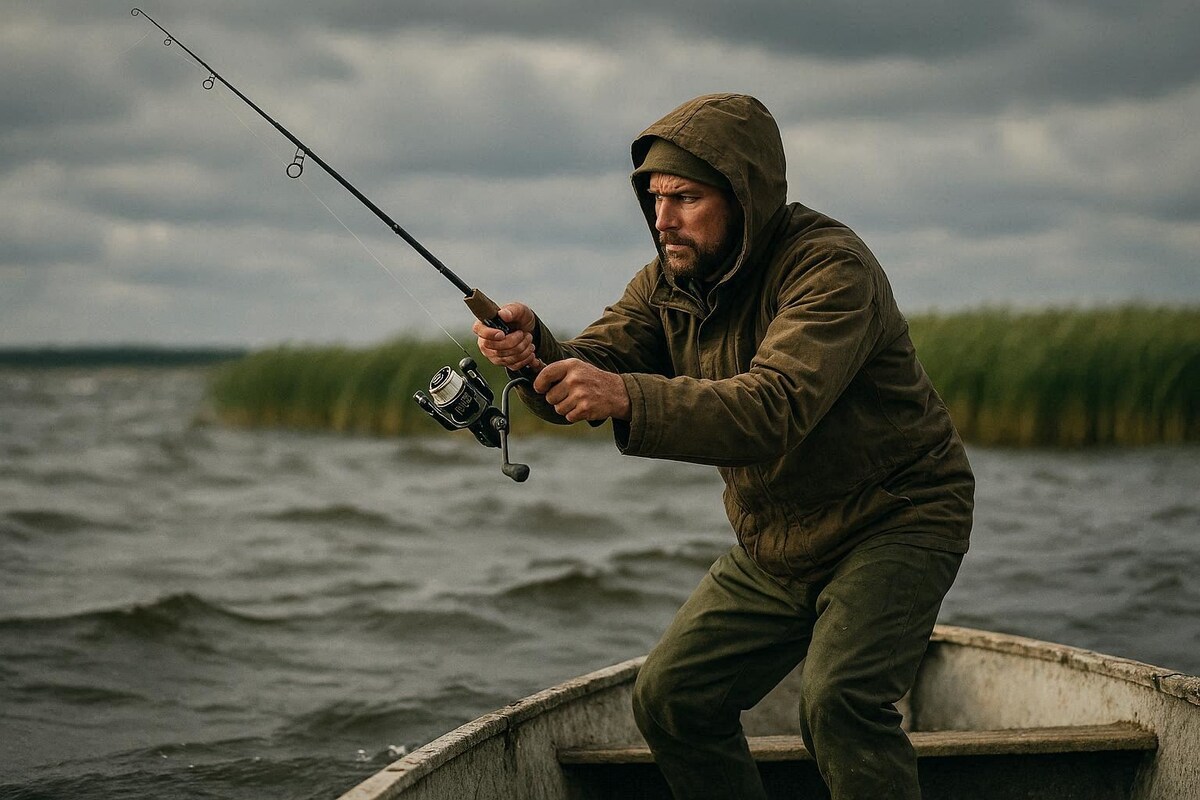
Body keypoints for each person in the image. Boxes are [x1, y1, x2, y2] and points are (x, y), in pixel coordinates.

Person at [473, 93, 974, 800]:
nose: (663, 219)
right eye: (654, 198)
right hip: (779, 537)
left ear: (745, 197)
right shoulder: (666, 281)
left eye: (685, 198)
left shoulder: (830, 269)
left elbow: (774, 407)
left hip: (896, 517)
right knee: (671, 699)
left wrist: (623, 395)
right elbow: (598, 363)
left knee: (838, 704)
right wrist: (534, 355)